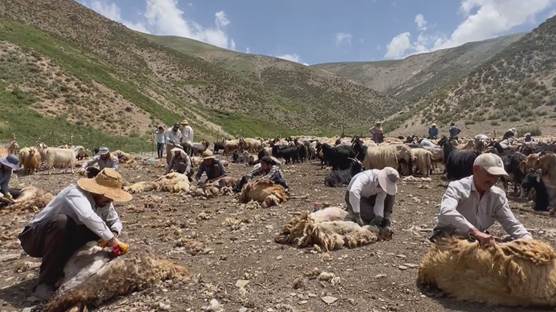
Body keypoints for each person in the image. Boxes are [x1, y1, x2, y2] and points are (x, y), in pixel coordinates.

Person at [18, 168, 132, 298]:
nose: (111, 201)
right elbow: (87, 216)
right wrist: (112, 241)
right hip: (35, 238)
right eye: (109, 196)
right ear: (99, 191)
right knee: (62, 222)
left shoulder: (105, 201)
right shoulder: (75, 193)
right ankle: (45, 283)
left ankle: (67, 269)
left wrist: (114, 233)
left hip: (65, 236)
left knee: (99, 230)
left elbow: (115, 220)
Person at [432, 153, 532, 246]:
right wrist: (475, 232)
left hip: (475, 240)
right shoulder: (458, 187)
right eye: (490, 175)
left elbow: (511, 222)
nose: (493, 180)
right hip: (449, 237)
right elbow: (447, 211)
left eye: (497, 177)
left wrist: (528, 240)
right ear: (476, 169)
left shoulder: (497, 196)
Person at [345, 167, 399, 236]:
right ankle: (352, 209)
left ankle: (386, 219)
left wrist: (379, 216)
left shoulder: (383, 187)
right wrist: (357, 215)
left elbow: (380, 201)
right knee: (369, 216)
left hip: (369, 197)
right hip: (353, 196)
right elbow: (353, 191)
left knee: (390, 196)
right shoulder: (366, 177)